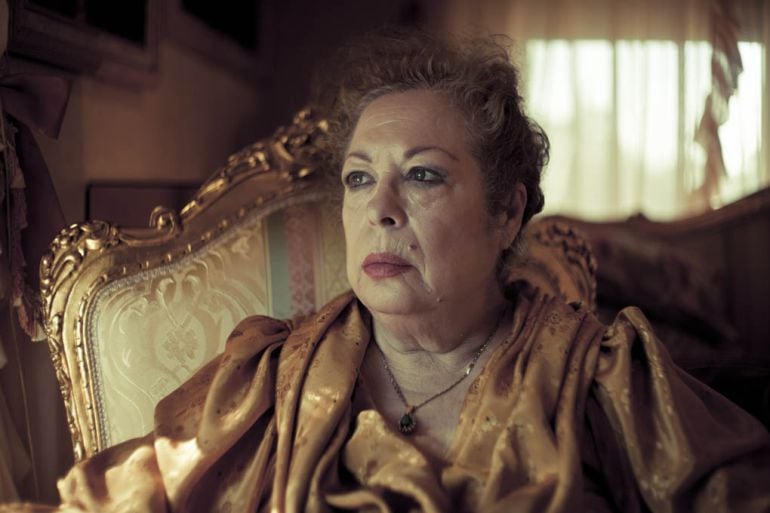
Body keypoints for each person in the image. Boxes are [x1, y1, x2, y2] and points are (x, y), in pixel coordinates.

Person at [4, 27, 770, 513]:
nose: (381, 208)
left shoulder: (603, 378)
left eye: (424, 175)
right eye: (360, 178)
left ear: (507, 212)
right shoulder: (266, 381)